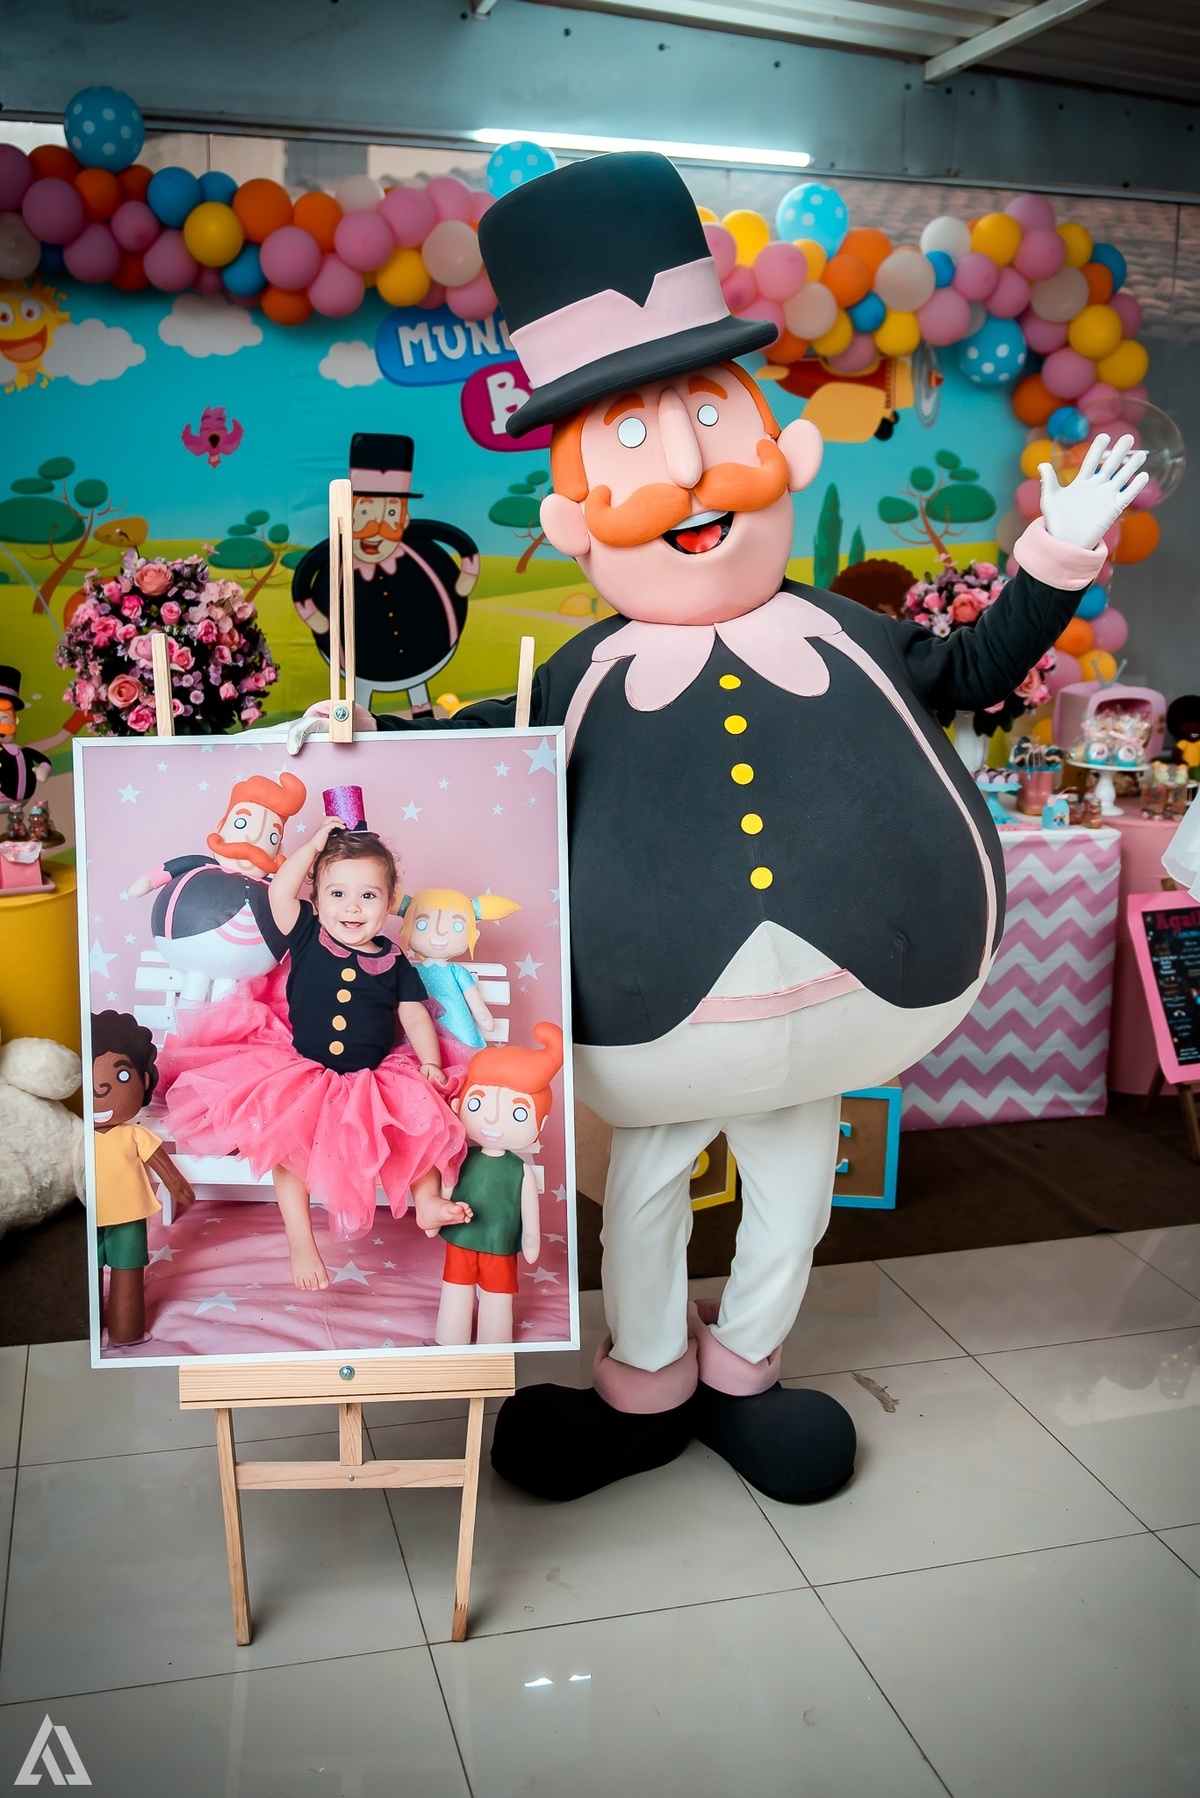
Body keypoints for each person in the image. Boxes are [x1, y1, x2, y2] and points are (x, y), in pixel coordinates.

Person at [292, 153, 1149, 1506]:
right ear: (575, 516)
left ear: (781, 449)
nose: (686, 468)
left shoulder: (847, 628)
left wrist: (1053, 563)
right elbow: (482, 754)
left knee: (796, 1191)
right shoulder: (574, 676)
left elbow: (971, 667)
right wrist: (352, 744)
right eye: (633, 440)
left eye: (707, 417)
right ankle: (644, 1377)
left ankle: (744, 1362)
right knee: (641, 1195)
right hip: (654, 1028)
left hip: (839, 998)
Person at [160, 803, 469, 1290]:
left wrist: (430, 1062)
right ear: (318, 900)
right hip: (303, 1072)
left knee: (422, 1121)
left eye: (368, 895)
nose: (352, 907)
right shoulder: (305, 930)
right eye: (338, 894)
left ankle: (427, 1198)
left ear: (389, 903)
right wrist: (312, 847)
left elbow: (413, 1014)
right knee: (290, 1150)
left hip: (374, 1078)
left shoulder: (395, 962)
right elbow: (280, 889)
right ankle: (300, 1240)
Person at [435, 1023, 562, 1345]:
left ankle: (495, 1342)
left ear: (541, 1124)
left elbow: (528, 1210)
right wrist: (438, 1215)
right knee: (456, 1288)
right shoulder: (462, 1158)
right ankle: (452, 1338)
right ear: (459, 1107)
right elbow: (447, 1188)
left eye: (518, 1114)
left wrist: (531, 1237)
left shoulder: (519, 1171)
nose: (491, 1121)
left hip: (500, 1243)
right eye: (477, 1105)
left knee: (497, 1294)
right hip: (462, 1236)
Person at [90, 1011, 195, 1345]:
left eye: (121, 1076)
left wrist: (180, 1190)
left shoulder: (135, 1135)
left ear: (144, 1082)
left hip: (129, 1217)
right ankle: (87, 1333)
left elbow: (167, 1171)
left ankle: (126, 1330)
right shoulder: (72, 1135)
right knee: (84, 1277)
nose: (100, 1087)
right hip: (86, 1218)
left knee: (128, 1274)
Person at [398, 885, 521, 1050]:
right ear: (404, 929)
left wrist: (482, 1016)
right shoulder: (410, 971)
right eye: (422, 925)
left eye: (457, 926)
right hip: (418, 1031)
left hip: (457, 1027)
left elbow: (476, 1004)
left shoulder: (455, 972)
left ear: (474, 934)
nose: (439, 932)